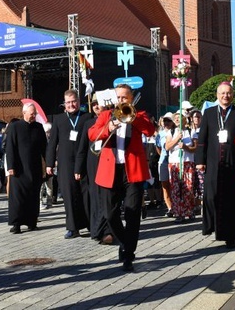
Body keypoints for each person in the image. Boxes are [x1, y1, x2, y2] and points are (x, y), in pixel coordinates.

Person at [87, 84, 155, 271]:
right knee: (110, 213)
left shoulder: (139, 115)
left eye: (124, 98)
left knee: (133, 212)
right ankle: (125, 242)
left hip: (132, 170)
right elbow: (92, 134)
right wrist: (110, 126)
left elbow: (150, 131)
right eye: (118, 98)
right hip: (111, 170)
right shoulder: (105, 115)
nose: (121, 101)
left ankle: (128, 255)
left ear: (131, 99)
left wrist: (131, 119)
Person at [196, 81, 235, 248]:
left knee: (233, 200)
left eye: (228, 93)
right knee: (211, 197)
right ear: (217, 95)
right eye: (222, 93)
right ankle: (211, 226)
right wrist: (199, 161)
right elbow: (202, 139)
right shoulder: (210, 113)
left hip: (234, 163)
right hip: (213, 163)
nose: (226, 96)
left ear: (233, 95)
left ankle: (230, 235)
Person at [47, 89, 90, 239]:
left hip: (84, 162)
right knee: (69, 196)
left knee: (86, 194)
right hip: (65, 164)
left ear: (79, 102)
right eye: (68, 102)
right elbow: (52, 143)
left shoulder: (87, 117)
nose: (71, 104)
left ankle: (90, 224)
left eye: (74, 101)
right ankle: (73, 227)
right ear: (64, 104)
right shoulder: (58, 120)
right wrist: (49, 163)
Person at [75, 97, 112, 244]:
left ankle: (108, 230)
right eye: (94, 104)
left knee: (108, 198)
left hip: (109, 164)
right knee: (95, 198)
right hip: (92, 166)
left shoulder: (113, 120)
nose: (96, 106)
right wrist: (78, 168)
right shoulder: (88, 123)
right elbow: (82, 148)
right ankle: (96, 230)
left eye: (99, 104)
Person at [6, 103, 48, 234]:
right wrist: (11, 166)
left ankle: (32, 222)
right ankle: (16, 224)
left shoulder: (39, 127)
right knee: (18, 198)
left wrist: (49, 163)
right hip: (19, 169)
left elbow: (44, 148)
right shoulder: (15, 127)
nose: (34, 116)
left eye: (35, 114)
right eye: (32, 114)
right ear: (24, 113)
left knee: (33, 196)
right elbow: (10, 148)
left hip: (34, 167)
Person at [165, 113, 197, 222]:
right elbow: (167, 147)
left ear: (184, 120)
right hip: (174, 163)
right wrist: (177, 139)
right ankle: (178, 212)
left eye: (180, 118)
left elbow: (195, 148)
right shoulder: (171, 132)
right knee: (175, 188)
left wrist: (186, 147)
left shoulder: (190, 131)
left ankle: (189, 210)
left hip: (187, 162)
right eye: (176, 119)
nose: (177, 120)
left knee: (188, 187)